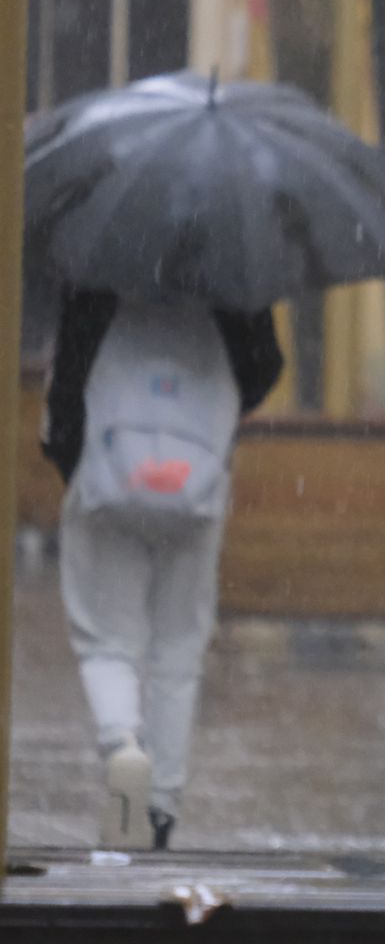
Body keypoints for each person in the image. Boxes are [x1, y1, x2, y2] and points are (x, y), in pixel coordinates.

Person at [43, 287, 282, 849]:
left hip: (108, 476)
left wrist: (71, 459)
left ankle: (122, 742)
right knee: (179, 645)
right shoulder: (233, 266)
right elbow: (264, 366)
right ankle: (161, 806)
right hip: (195, 478)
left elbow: (68, 376)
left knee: (106, 637)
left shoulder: (100, 261)